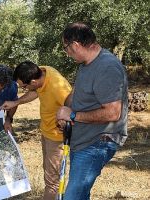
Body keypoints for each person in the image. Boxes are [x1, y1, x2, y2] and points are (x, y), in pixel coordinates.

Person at [56, 22, 128, 200]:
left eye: (66, 48)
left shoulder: (107, 67)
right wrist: (64, 111)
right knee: (80, 195)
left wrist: (72, 115)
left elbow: (113, 113)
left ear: (75, 45)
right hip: (82, 140)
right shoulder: (86, 65)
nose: (66, 53)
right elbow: (77, 95)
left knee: (72, 197)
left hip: (98, 142)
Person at [0, 61, 72, 200]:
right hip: (46, 131)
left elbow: (73, 107)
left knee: (52, 181)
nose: (24, 89)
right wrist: (16, 102)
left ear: (33, 81)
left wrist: (65, 120)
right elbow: (35, 92)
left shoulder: (59, 89)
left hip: (57, 138)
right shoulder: (45, 70)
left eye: (24, 86)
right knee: (48, 173)